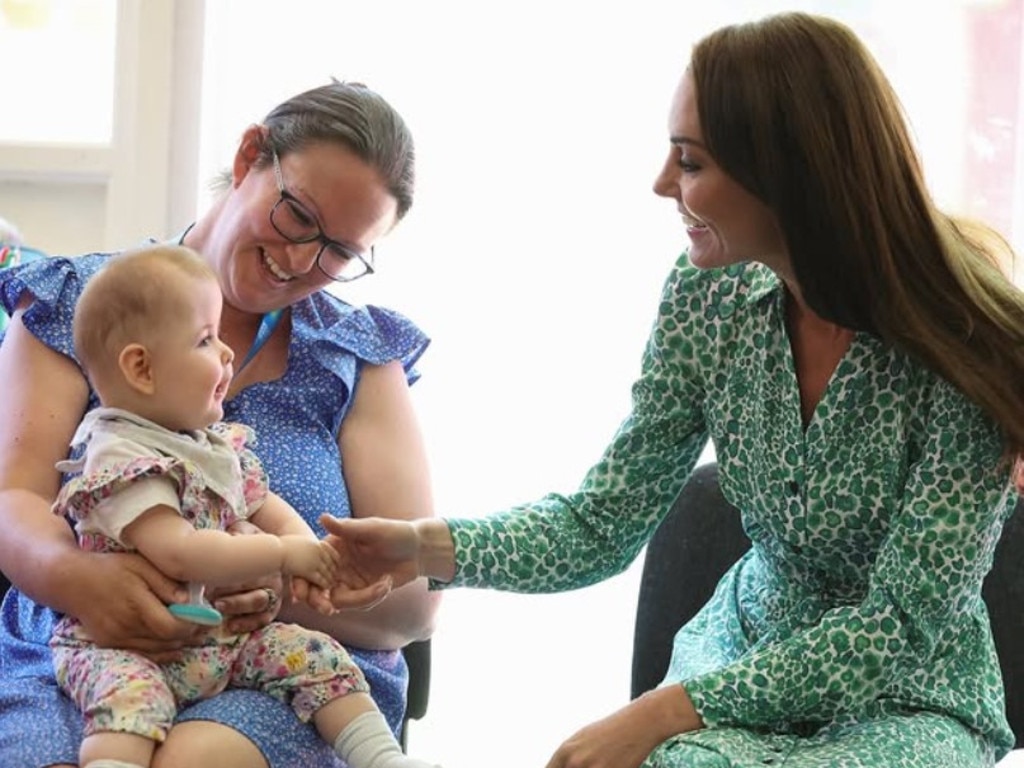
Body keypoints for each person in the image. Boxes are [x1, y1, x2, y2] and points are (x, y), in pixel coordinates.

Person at [323, 12, 1024, 768]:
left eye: (689, 162)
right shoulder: (707, 297)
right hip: (743, 654)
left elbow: (897, 626)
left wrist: (662, 711)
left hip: (908, 695)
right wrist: (423, 547)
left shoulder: (968, 340)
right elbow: (602, 523)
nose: (662, 184)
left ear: (786, 171)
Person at [0, 80, 440, 768]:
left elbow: (415, 603)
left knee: (195, 761)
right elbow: (13, 497)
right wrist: (80, 580)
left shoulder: (357, 356)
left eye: (339, 252)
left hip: (287, 675)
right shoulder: (81, 306)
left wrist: (280, 589)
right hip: (84, 649)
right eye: (297, 216)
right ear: (248, 158)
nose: (301, 261)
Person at [49, 244, 440, 768]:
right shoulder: (121, 454)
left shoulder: (210, 443)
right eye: (206, 339)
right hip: (132, 648)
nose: (227, 352)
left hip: (224, 642)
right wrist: (282, 556)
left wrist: (315, 556)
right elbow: (179, 552)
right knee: (127, 708)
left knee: (314, 657)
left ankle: (384, 760)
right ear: (141, 368)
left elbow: (264, 504)